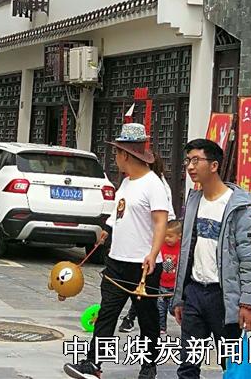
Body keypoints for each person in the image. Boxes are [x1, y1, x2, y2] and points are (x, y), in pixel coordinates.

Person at [63, 123, 169, 379]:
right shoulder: (127, 182)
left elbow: (161, 222)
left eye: (116, 153)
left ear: (126, 154)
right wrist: (107, 230)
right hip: (116, 262)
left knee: (147, 319)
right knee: (107, 314)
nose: (115, 158)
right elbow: (119, 212)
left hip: (143, 266)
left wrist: (153, 253)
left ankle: (148, 366)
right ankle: (93, 364)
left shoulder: (153, 184)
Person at [173, 138, 251, 379]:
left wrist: (248, 303)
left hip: (223, 297)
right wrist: (179, 297)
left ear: (214, 165)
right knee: (188, 365)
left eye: (196, 160)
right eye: (188, 161)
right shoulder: (194, 201)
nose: (190, 166)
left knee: (230, 366)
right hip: (194, 292)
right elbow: (187, 252)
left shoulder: (239, 207)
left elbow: (250, 259)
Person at [119, 151, 176, 333]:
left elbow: (165, 220)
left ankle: (145, 325)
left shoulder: (157, 185)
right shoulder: (128, 183)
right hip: (130, 252)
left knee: (148, 296)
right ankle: (131, 318)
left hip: (153, 249)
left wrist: (156, 249)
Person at [157, 219, 181, 335]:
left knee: (173, 309)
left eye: (170, 236)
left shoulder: (181, 248)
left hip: (174, 286)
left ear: (179, 236)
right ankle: (161, 327)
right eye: (165, 235)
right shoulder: (161, 246)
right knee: (160, 309)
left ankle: (184, 324)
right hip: (162, 284)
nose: (167, 239)